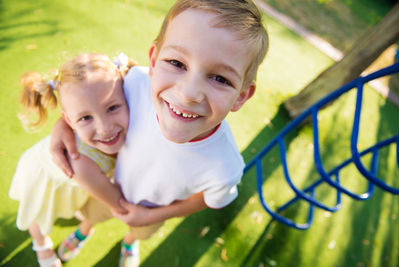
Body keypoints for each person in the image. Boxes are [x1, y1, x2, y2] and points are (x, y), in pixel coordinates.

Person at [50, 0, 269, 266]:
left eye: (220, 79)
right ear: (153, 61)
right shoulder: (135, 84)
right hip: (110, 187)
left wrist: (151, 217)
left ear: (241, 96)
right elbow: (86, 98)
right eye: (177, 62)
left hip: (155, 210)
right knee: (92, 214)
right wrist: (62, 125)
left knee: (139, 232)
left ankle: (130, 242)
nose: (188, 94)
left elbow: (207, 199)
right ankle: (84, 230)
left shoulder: (226, 167)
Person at [9, 53, 136, 267]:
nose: (105, 128)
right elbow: (118, 202)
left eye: (112, 107)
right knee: (39, 215)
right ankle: (41, 247)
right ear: (68, 120)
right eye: (86, 117)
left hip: (83, 182)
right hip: (47, 180)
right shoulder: (80, 163)